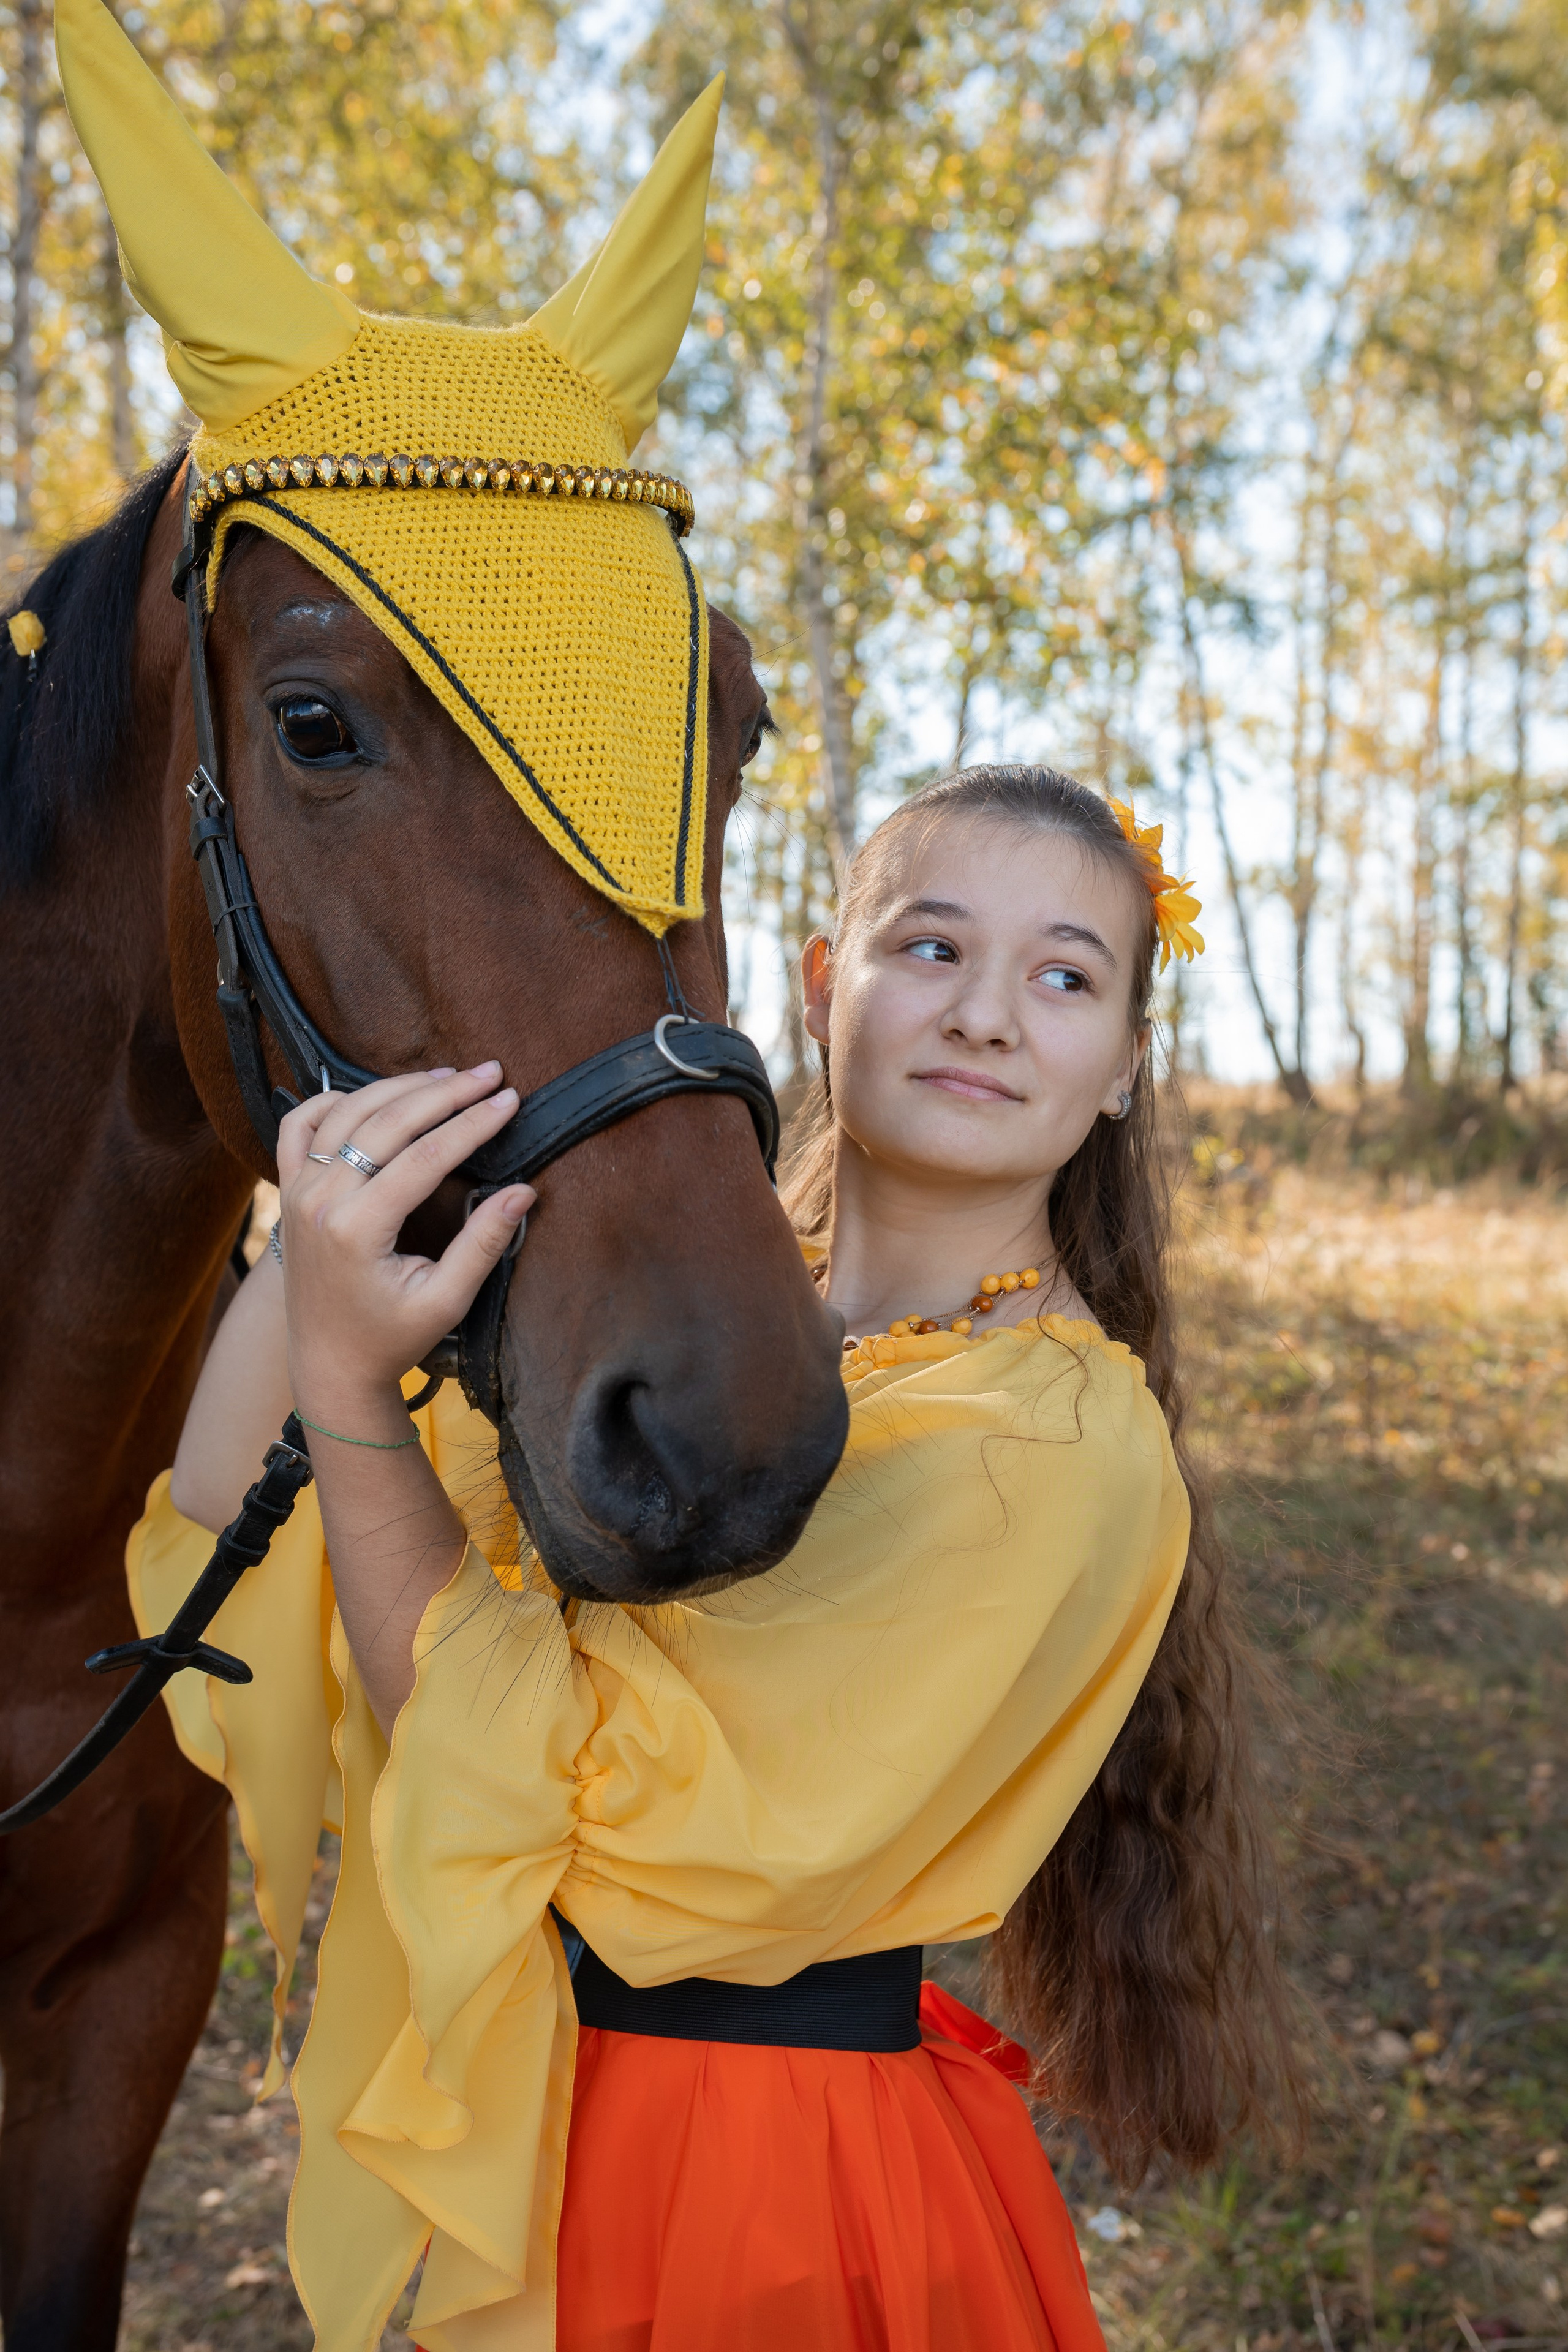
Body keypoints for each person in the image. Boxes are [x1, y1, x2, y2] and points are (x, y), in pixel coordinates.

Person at [137, 763, 1292, 2352]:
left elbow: (573, 1819)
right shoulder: (693, 1356)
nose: (986, 1016)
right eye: (933, 949)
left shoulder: (1052, 1444)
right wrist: (328, 1198)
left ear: (1124, 1068)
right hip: (562, 2121)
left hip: (759, 2189)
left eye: (1066, 977)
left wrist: (352, 1394)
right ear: (823, 989)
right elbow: (236, 1532)